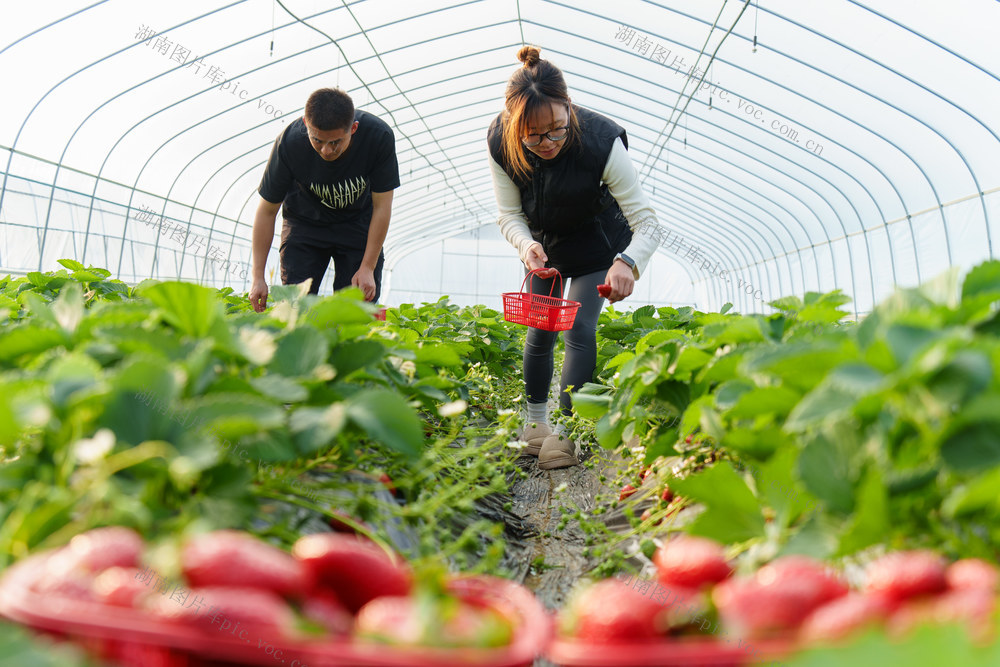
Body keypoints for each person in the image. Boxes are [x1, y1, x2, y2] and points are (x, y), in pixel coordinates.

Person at [488, 46, 660, 470]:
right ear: (514, 126)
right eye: (533, 135)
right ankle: (535, 426)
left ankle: (565, 433)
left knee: (579, 326)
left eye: (557, 130)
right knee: (540, 328)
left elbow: (649, 222)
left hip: (597, 245)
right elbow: (509, 214)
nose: (547, 143)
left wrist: (627, 262)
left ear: (569, 108)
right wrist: (526, 246)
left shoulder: (600, 142)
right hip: (542, 247)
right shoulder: (500, 142)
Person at [249, 88, 399, 312]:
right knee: (295, 306)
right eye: (317, 140)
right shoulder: (289, 143)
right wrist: (257, 276)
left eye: (336, 142)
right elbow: (267, 210)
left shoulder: (378, 138)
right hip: (304, 225)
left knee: (355, 310)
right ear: (305, 124)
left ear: (354, 129)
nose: (326, 150)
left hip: (357, 225)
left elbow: (381, 207)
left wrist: (368, 266)